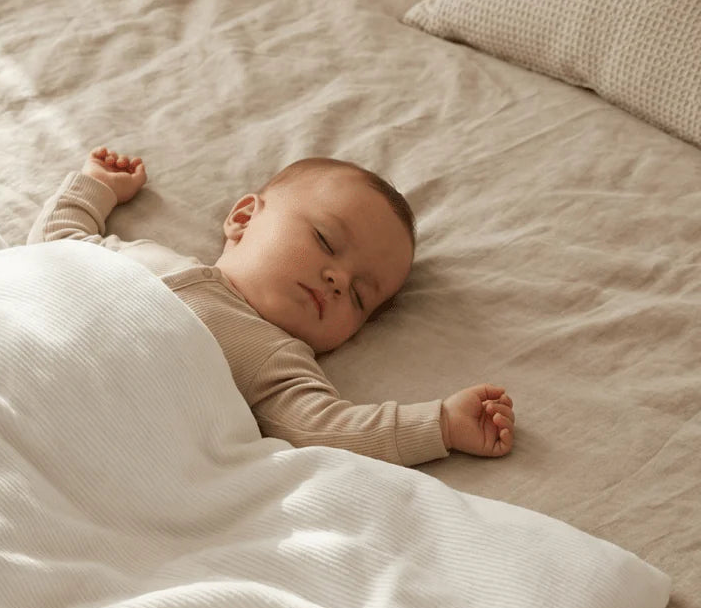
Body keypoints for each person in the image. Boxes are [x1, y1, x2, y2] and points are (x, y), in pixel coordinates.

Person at [27, 147, 515, 467]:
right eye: (325, 241)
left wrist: (441, 424)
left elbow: (327, 431)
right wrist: (97, 185)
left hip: (81, 440)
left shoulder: (275, 358)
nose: (339, 280)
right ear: (243, 218)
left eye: (360, 297)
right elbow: (55, 244)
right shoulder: (145, 256)